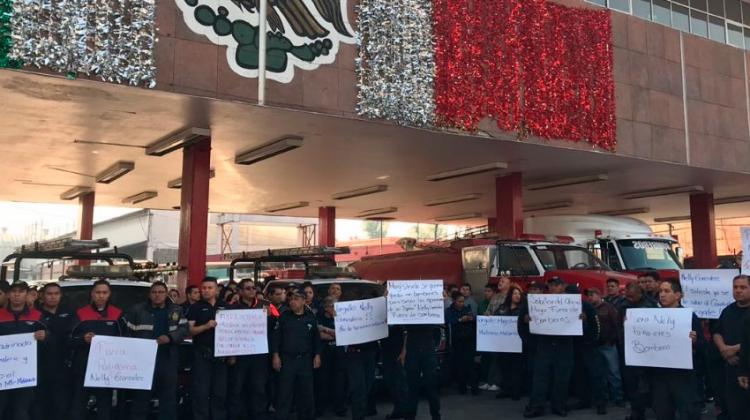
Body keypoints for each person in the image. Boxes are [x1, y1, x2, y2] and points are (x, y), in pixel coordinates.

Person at [125, 281, 188, 420]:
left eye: (161, 292)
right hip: (143, 362)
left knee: (168, 400)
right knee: (141, 399)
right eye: (154, 292)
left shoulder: (176, 310)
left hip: (167, 359)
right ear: (149, 294)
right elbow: (127, 333)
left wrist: (170, 337)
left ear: (166, 294)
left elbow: (184, 329)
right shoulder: (137, 310)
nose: (157, 295)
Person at [522, 277, 580, 418]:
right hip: (544, 346)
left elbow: (582, 327)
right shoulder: (539, 302)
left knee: (562, 378)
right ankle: (536, 406)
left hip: (564, 346)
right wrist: (526, 321)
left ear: (563, 286)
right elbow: (522, 325)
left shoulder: (573, 303)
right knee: (540, 377)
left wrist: (581, 319)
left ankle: (559, 406)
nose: (553, 288)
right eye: (550, 286)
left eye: (556, 285)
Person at [69, 280, 125, 420]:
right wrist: (83, 339)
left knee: (105, 407)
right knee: (78, 406)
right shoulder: (80, 314)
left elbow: (125, 341)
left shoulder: (118, 314)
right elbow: (68, 340)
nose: (101, 296)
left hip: (106, 371)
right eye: (98, 292)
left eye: (104, 292)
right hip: (82, 368)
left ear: (109, 294)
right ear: (92, 294)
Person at [650, 279, 702, 420]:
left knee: (688, 412)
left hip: (683, 375)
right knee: (663, 412)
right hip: (660, 375)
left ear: (678, 295)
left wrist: (695, 342)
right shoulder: (651, 317)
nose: (662, 295)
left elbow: (703, 346)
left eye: (667, 291)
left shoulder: (689, 316)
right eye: (660, 291)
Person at [270, 288, 322, 420]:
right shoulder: (284, 317)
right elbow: (276, 338)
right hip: (287, 360)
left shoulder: (310, 318)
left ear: (304, 301)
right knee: (284, 394)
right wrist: (275, 356)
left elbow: (316, 338)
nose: (292, 302)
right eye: (291, 299)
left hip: (305, 360)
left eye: (296, 299)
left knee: (306, 394)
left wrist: (317, 355)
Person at [228, 278, 274, 420]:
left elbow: (276, 325)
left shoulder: (265, 305)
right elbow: (228, 332)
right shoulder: (232, 308)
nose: (252, 291)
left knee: (258, 388)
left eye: (254, 288)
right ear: (240, 291)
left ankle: (258, 415)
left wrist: (270, 317)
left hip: (258, 356)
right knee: (237, 388)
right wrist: (231, 354)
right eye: (248, 288)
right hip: (240, 355)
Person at [0, 281, 46, 420]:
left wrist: (45, 336)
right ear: (8, 295)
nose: (17, 295)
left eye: (21, 291)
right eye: (14, 291)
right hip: (2, 374)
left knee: (21, 411)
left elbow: (53, 338)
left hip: (25, 374)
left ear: (27, 295)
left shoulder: (38, 316)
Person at [187, 276, 229, 420]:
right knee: (201, 393)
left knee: (220, 393)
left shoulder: (225, 306)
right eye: (203, 288)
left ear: (216, 290)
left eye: (209, 288)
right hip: (202, 354)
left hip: (221, 356)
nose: (206, 291)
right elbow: (190, 331)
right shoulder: (195, 307)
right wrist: (206, 326)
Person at [35, 283, 75, 420]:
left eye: (56, 294)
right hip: (40, 367)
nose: (53, 297)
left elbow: (73, 337)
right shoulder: (35, 314)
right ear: (42, 295)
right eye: (49, 294)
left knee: (61, 405)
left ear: (61, 296)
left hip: (63, 366)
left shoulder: (69, 313)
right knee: (40, 404)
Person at [713, 274, 750, 420]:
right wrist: (723, 349)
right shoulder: (727, 310)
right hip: (730, 369)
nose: (738, 290)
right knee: (735, 410)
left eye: (743, 287)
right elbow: (717, 332)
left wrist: (735, 349)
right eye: (735, 287)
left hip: (747, 365)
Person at [620, 282, 658, 420]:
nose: (629, 299)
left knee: (648, 383)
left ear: (640, 294)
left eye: (631, 296)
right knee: (632, 383)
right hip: (629, 349)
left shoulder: (651, 305)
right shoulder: (623, 304)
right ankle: (637, 412)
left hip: (648, 350)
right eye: (627, 296)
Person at [342, 291, 380, 420]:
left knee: (368, 385)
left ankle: (361, 412)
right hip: (355, 355)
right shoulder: (352, 316)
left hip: (369, 354)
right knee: (358, 388)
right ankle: (358, 416)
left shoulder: (376, 317)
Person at [586, 287, 624, 408]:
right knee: (598, 374)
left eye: (593, 294)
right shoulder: (588, 309)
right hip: (594, 346)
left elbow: (617, 324)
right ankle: (603, 398)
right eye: (589, 295)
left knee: (614, 372)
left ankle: (618, 397)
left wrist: (614, 339)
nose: (590, 297)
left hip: (608, 344)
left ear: (599, 294)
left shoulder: (608, 308)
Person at [401, 323, 442, 420]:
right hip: (413, 347)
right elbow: (406, 332)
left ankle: (436, 416)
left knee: (431, 385)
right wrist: (404, 350)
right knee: (412, 385)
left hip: (427, 346)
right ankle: (410, 416)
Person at [314, 296, 347, 417]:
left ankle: (340, 408)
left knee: (339, 382)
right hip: (324, 354)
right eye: (333, 306)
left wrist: (326, 329)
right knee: (322, 382)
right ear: (327, 307)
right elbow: (321, 336)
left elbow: (344, 333)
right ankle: (320, 408)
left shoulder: (342, 318)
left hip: (339, 354)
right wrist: (334, 333)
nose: (336, 308)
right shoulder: (319, 318)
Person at [496, 284, 525, 400]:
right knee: (504, 367)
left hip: (518, 343)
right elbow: (496, 319)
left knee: (517, 368)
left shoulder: (523, 309)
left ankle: (516, 391)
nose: (517, 296)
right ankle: (506, 389)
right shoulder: (503, 308)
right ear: (510, 295)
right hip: (504, 343)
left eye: (519, 294)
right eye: (515, 293)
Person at [445, 291, 478, 395]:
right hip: (457, 341)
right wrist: (460, 319)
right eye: (459, 301)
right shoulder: (449, 311)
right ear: (454, 301)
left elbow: (473, 319)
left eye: (463, 301)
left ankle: (474, 387)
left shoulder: (467, 309)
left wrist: (471, 318)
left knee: (470, 364)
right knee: (460, 365)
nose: (461, 303)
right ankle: (462, 387)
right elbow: (449, 321)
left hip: (468, 339)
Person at [382, 324, 409, 420]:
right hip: (386, 349)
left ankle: (406, 411)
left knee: (400, 381)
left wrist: (404, 350)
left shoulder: (398, 312)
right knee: (390, 380)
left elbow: (406, 332)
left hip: (398, 349)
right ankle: (398, 409)